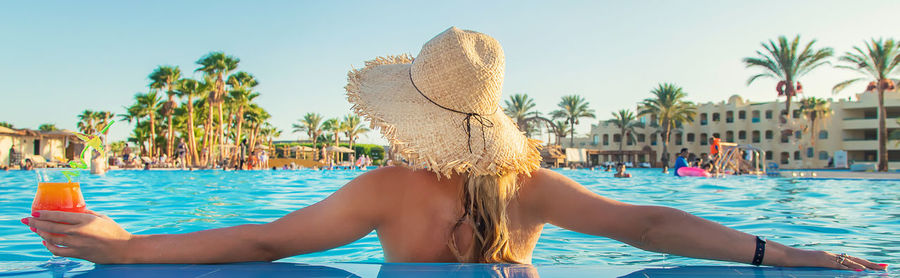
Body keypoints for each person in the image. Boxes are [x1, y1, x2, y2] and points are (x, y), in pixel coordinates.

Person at [21, 27, 885, 271]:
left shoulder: (390, 187)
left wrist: (127, 247)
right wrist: (786, 252)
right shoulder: (532, 182)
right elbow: (651, 225)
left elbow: (259, 241)